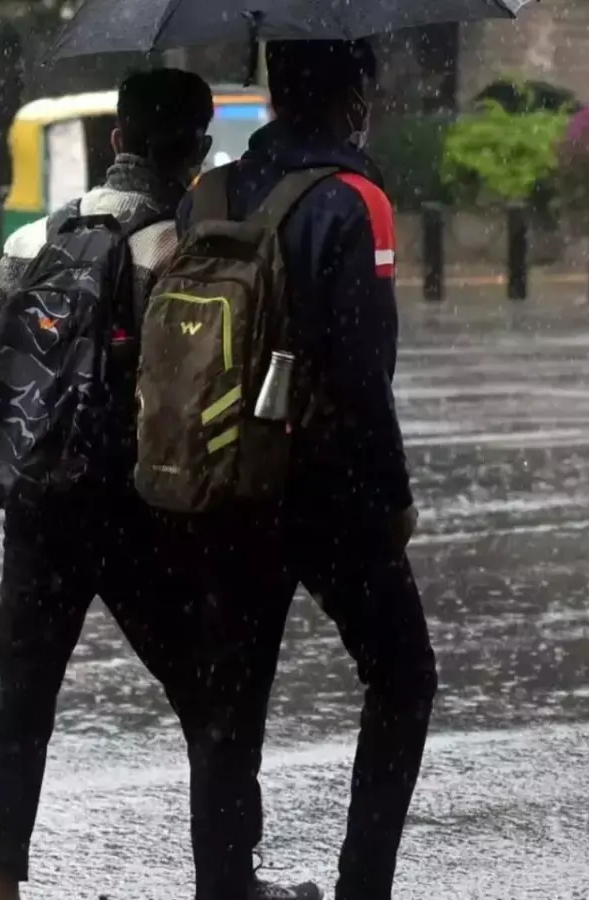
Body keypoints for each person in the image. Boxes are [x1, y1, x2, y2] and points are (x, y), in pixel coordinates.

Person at [0, 69, 318, 900]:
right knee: (211, 698)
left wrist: (20, 438)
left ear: (116, 140)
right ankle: (229, 879)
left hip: (42, 506)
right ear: (196, 150)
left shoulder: (39, 239)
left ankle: (0, 887)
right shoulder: (186, 252)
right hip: (140, 509)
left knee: (22, 699)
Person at [173, 38, 436, 900]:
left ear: (277, 90)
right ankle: (364, 886)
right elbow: (363, 374)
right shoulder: (355, 200)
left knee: (229, 701)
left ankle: (224, 885)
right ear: (352, 95)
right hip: (325, 487)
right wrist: (391, 500)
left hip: (222, 478)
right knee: (403, 676)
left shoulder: (209, 193)